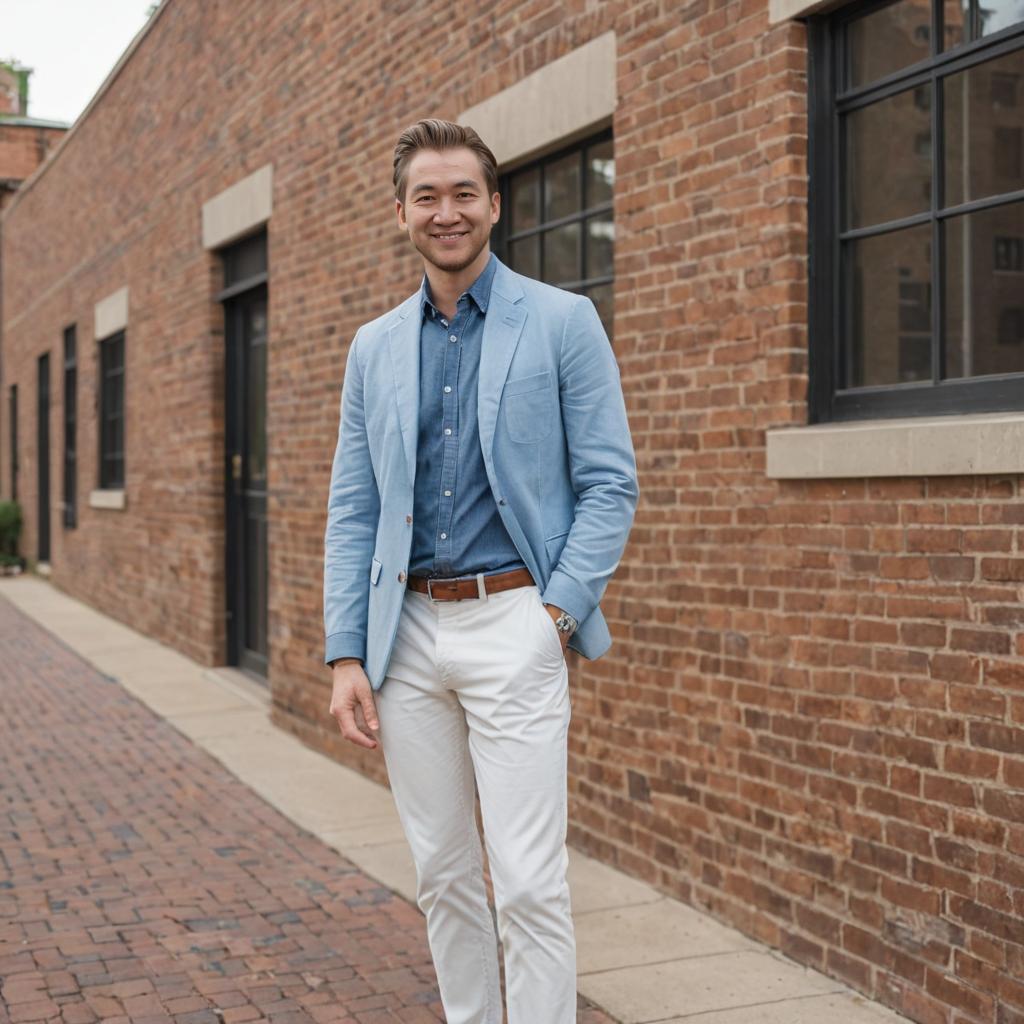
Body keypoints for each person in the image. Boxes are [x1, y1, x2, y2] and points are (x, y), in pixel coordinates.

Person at [323, 118, 638, 1024]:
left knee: (531, 883)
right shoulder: (372, 348)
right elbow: (354, 508)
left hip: (516, 621)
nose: (447, 211)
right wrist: (349, 652)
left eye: (464, 193)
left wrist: (557, 618)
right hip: (408, 637)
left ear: (495, 205)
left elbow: (610, 484)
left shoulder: (563, 321)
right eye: (428, 195)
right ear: (401, 214)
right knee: (445, 874)